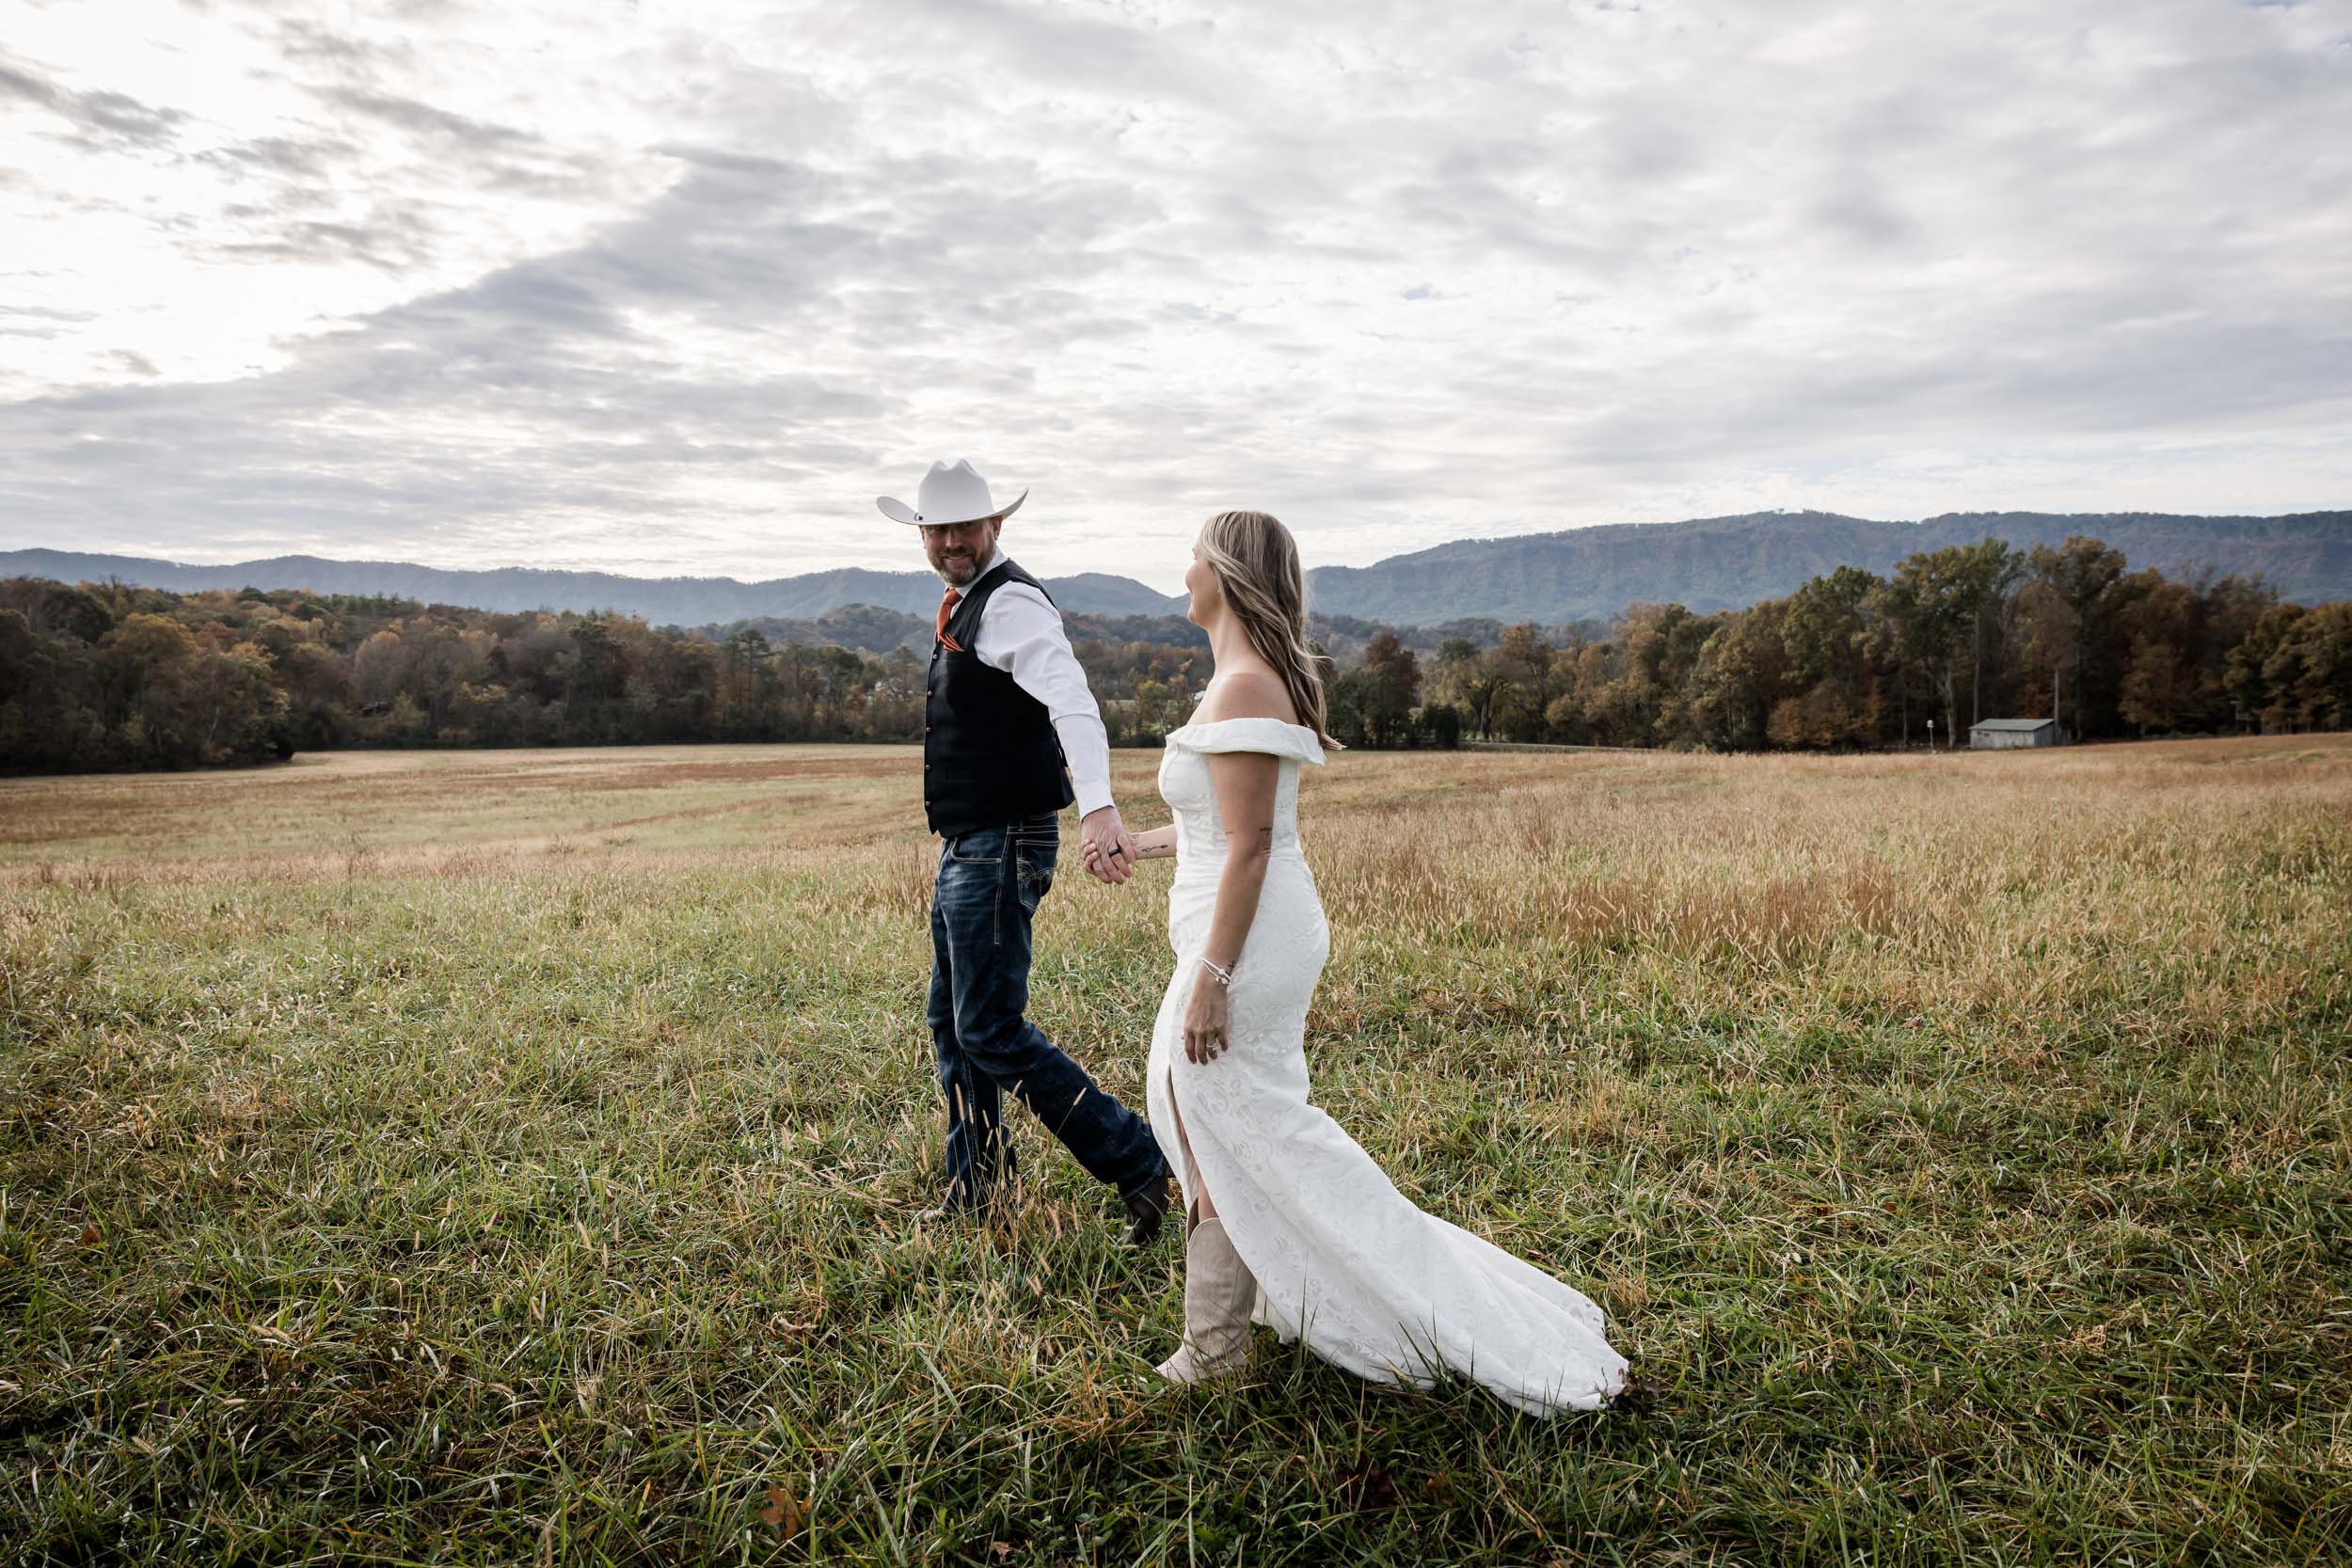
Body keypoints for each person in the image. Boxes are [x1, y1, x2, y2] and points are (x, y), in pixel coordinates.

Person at [1094, 510, 1630, 1414]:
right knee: (1211, 1116)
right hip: (1232, 927)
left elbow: (1254, 846)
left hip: (1249, 941)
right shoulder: (1232, 682)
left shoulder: (1246, 688)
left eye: (1194, 553)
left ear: (1224, 571)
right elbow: (1214, 830)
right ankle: (1222, 1330)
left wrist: (1215, 981)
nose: (1182, 568)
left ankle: (1228, 1338)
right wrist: (1138, 847)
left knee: (1231, 1113)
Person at [877, 458, 1173, 1244]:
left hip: (1003, 843)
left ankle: (1139, 1160)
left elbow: (1072, 701)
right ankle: (979, 1186)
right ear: (922, 534)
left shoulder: (1009, 605)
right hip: (970, 843)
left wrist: (1100, 807)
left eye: (964, 528)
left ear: (995, 527)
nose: (950, 542)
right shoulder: (966, 605)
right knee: (953, 1020)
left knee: (990, 1026)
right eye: (936, 530)